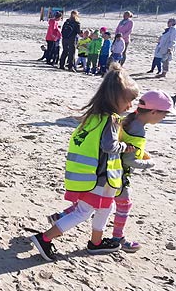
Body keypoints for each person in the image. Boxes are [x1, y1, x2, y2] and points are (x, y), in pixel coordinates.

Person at [30, 64, 139, 261]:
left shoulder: (94, 117)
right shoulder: (111, 119)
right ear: (116, 98)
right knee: (83, 211)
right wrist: (125, 147)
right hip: (100, 177)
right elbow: (109, 146)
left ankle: (96, 243)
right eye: (128, 101)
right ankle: (45, 238)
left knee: (106, 208)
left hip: (91, 175)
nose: (130, 106)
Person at [47, 90, 174, 253]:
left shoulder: (129, 119)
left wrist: (141, 153)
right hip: (116, 175)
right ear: (154, 112)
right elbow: (130, 160)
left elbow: (129, 146)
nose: (164, 118)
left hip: (107, 170)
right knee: (121, 204)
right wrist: (150, 163)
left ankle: (61, 217)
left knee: (92, 203)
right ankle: (117, 238)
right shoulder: (139, 129)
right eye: (164, 114)